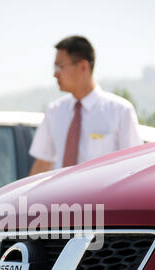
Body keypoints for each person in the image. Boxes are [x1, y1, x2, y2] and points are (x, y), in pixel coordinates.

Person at [29, 36, 142, 175]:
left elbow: (134, 169)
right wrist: (24, 197)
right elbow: (42, 165)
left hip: (102, 197)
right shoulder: (54, 111)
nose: (55, 74)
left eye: (60, 67)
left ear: (83, 67)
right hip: (61, 197)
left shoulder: (121, 111)